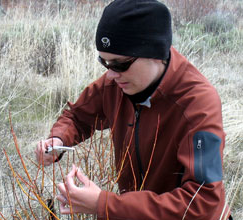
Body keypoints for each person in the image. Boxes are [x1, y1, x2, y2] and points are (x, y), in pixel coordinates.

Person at [35, 0, 232, 219]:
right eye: (105, 62)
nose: (110, 74)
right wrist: (59, 140)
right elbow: (77, 116)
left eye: (119, 64)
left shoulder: (199, 105)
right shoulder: (117, 83)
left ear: (155, 53)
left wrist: (105, 205)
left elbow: (203, 202)